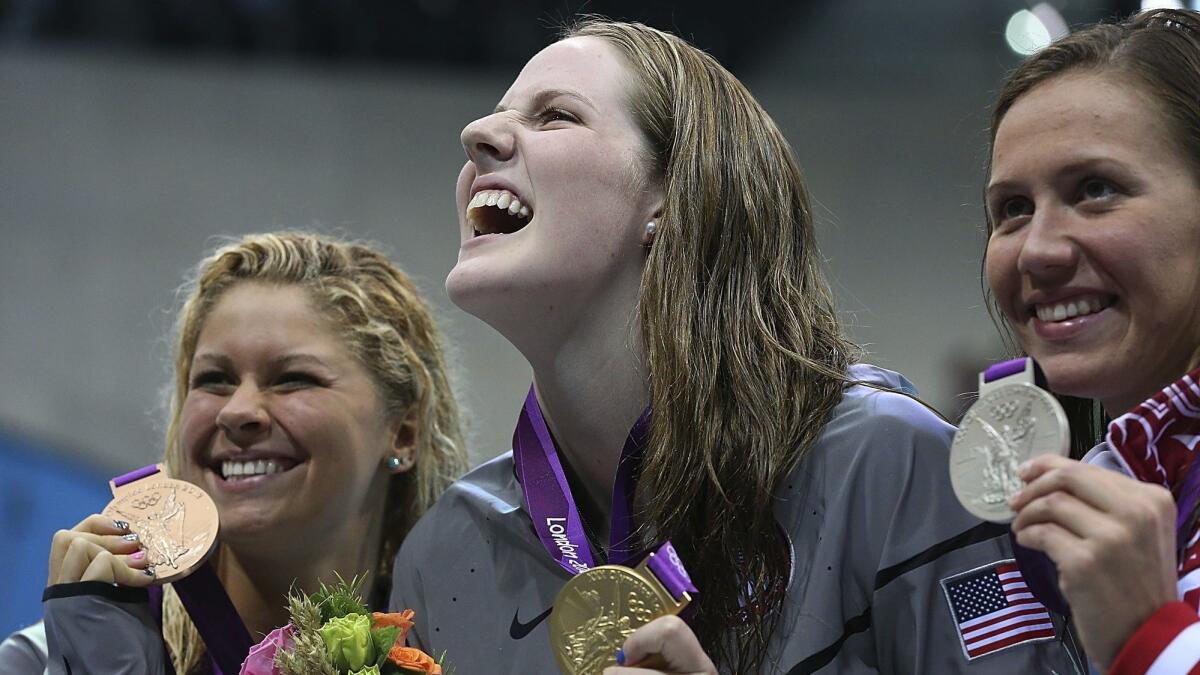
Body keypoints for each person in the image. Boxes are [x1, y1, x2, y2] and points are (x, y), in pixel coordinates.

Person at [391, 18, 1075, 673]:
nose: (477, 132)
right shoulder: (448, 550)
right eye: (499, 113)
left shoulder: (888, 466)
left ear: (670, 195)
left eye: (555, 116)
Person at [0, 231, 469, 673]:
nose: (237, 411)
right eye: (213, 381)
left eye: (293, 379)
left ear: (403, 433)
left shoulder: (462, 648)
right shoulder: (46, 660)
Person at [983, 8, 1200, 673]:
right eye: (1013, 208)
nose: (1038, 251)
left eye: (1096, 189)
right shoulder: (1119, 473)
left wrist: (1150, 638)